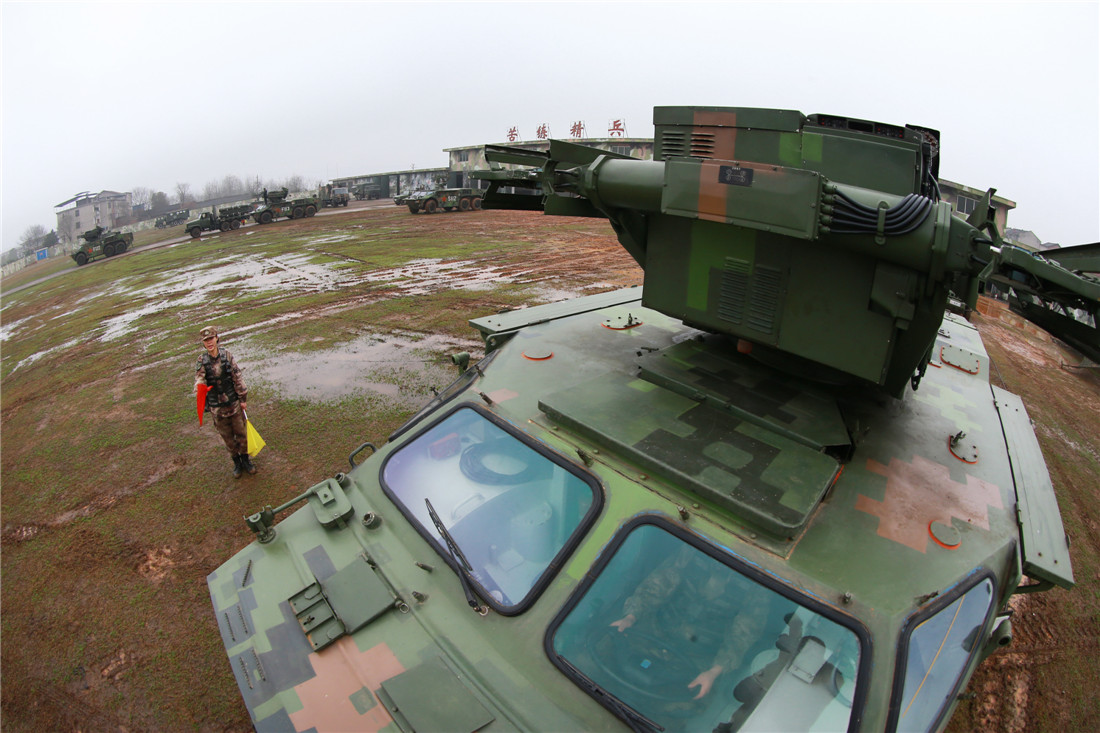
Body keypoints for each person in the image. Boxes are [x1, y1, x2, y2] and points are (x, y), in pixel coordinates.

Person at [610, 545, 771, 700]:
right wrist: (630, 617)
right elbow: (659, 583)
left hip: (696, 661)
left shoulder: (757, 582)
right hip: (652, 634)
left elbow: (744, 633)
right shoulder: (694, 552)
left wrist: (714, 672)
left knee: (682, 705)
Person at [195, 325, 256, 478]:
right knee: (228, 438)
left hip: (234, 404)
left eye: (211, 338)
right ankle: (237, 463)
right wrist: (199, 388)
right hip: (217, 409)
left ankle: (246, 461)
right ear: (203, 343)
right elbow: (199, 379)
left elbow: (237, 377)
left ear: (216, 338)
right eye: (206, 340)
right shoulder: (201, 361)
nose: (209, 342)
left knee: (242, 435)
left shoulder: (227, 356)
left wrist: (243, 399)